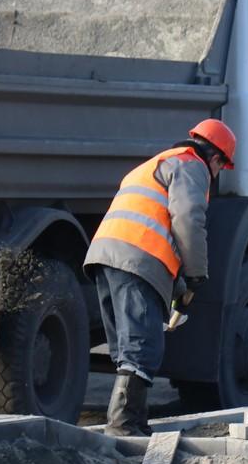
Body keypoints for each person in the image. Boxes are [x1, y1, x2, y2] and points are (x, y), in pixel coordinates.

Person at [84, 119, 236, 437]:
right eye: (221, 167)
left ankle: (133, 421)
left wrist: (179, 286)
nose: (218, 174)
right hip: (137, 259)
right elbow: (188, 221)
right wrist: (196, 276)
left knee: (128, 348)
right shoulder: (191, 166)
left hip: (105, 257)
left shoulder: (155, 164)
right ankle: (124, 425)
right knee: (143, 345)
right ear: (216, 158)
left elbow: (156, 226)